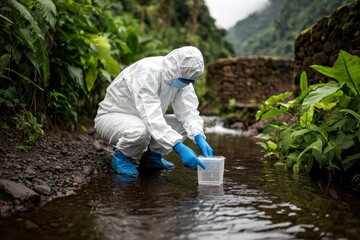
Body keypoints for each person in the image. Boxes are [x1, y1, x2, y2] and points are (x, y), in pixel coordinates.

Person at [94, 46, 213, 177]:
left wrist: (199, 136)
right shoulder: (147, 71)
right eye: (185, 81)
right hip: (113, 117)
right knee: (139, 132)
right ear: (175, 70)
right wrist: (179, 147)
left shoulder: (182, 77)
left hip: (142, 120)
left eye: (191, 82)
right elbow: (151, 117)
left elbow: (188, 112)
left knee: (183, 125)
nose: (187, 84)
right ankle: (122, 157)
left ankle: (152, 157)